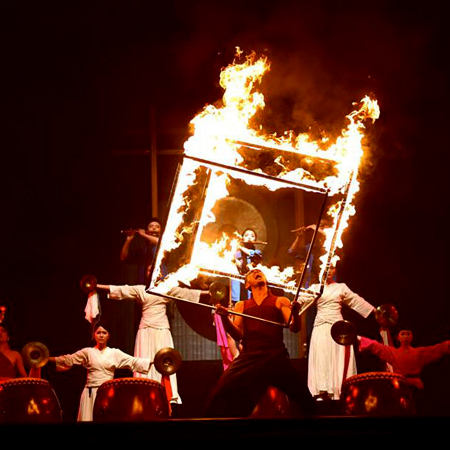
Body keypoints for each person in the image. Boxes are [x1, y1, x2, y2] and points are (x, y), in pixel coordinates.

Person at [206, 268, 315, 417]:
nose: (257, 272)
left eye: (259, 271)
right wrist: (225, 318)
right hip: (250, 356)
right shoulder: (242, 305)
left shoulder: (280, 301)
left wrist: (295, 312)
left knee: (305, 399)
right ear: (246, 285)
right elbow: (238, 334)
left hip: (275, 355)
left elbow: (294, 328)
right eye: (251, 273)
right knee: (219, 392)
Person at [95, 275, 207, 408]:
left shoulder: (167, 289)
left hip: (162, 330)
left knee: (165, 361)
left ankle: (166, 397)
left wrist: (211, 292)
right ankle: (143, 396)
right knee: (144, 361)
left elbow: (186, 293)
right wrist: (95, 286)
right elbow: (121, 290)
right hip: (145, 331)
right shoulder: (141, 290)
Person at [48, 321, 152, 422]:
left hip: (107, 393)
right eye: (98, 332)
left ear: (108, 336)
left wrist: (152, 362)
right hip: (90, 392)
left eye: (104, 333)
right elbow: (68, 359)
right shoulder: (87, 352)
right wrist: (47, 358)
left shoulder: (114, 353)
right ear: (94, 335)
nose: (101, 335)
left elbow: (133, 361)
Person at [303, 263, 376, 401]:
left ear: (335, 269)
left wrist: (375, 311)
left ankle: (338, 390)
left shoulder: (341, 287)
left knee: (337, 357)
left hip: (337, 329)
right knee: (322, 357)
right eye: (325, 267)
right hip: (320, 327)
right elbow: (301, 301)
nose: (328, 270)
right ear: (320, 270)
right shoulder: (315, 288)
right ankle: (321, 391)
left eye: (331, 267)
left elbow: (355, 300)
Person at [359, 326, 450, 411]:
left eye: (408, 334)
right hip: (400, 388)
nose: (406, 336)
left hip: (417, 388)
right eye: (403, 334)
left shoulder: (419, 352)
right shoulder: (393, 352)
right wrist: (358, 338)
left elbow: (436, 349)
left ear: (412, 337)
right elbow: (376, 346)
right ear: (398, 338)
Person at [120, 217, 163, 284]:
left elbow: (159, 242)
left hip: (161, 284)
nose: (154, 228)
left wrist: (143, 234)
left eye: (157, 227)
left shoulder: (166, 245)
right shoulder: (143, 250)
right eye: (151, 226)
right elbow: (123, 257)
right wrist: (128, 241)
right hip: (143, 285)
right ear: (147, 230)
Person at [230, 228, 263, 303]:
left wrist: (239, 246)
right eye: (246, 235)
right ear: (242, 238)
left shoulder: (257, 252)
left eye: (252, 236)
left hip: (251, 285)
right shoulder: (236, 252)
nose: (249, 237)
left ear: (255, 239)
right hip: (237, 284)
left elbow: (250, 253)